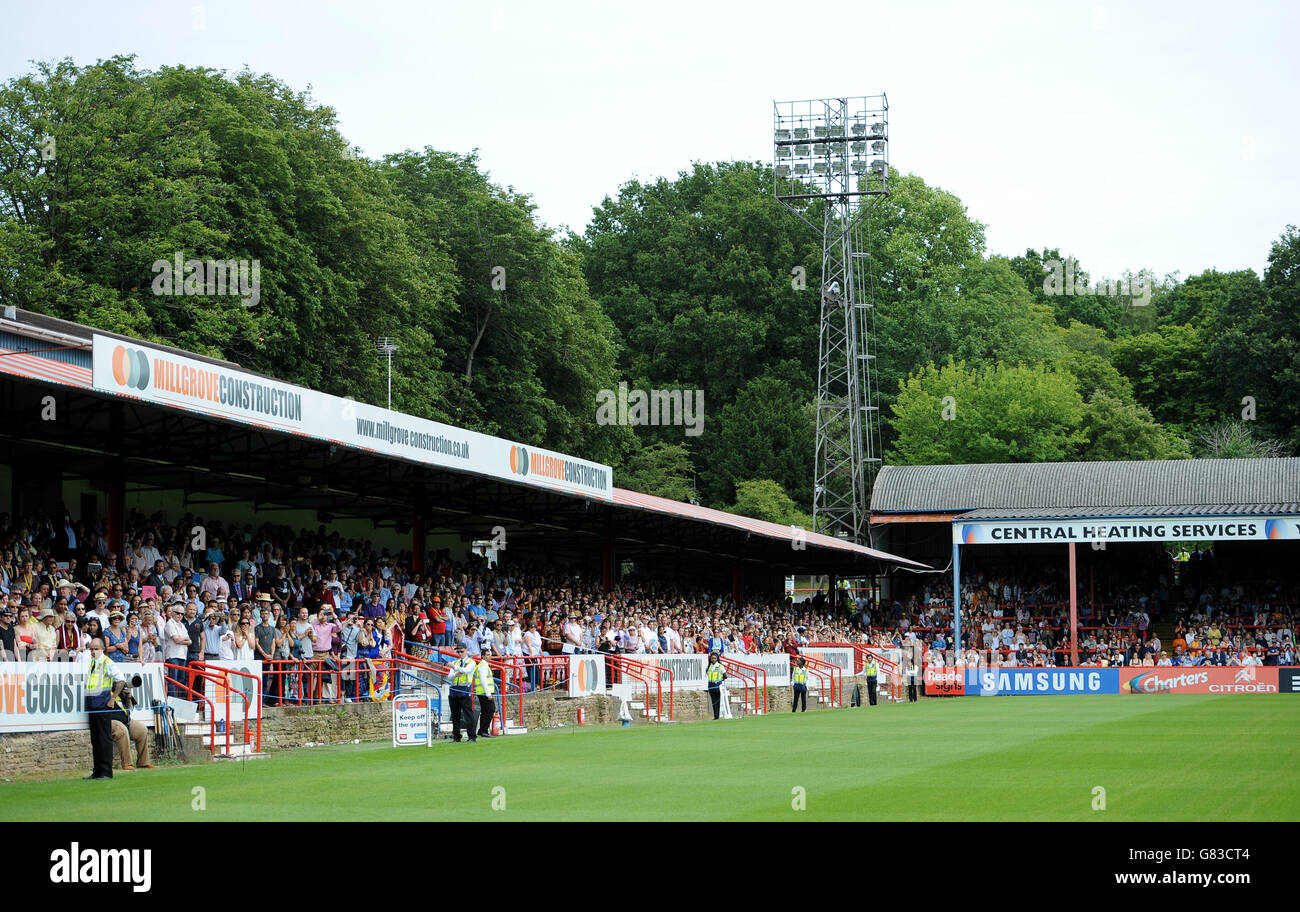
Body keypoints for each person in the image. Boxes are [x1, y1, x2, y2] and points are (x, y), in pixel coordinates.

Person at [83, 637, 125, 779]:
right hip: (92, 705)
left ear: (102, 649)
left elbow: (121, 680)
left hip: (102, 705)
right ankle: (97, 771)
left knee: (104, 739)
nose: (93, 652)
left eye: (95, 649)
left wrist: (112, 699)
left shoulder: (108, 663)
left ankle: (106, 771)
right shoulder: (93, 663)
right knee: (95, 740)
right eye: (91, 649)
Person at [447, 643, 477, 742]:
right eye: (458, 651)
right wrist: (456, 674)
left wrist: (455, 668)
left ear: (466, 650)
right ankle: (456, 737)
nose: (460, 653)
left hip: (465, 690)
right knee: (455, 715)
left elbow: (466, 671)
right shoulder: (455, 662)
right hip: (454, 690)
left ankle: (472, 737)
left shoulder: (471, 662)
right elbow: (449, 677)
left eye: (462, 651)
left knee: (468, 715)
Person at [474, 650, 498, 738]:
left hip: (483, 692)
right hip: (484, 693)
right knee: (490, 710)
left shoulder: (484, 666)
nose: (490, 656)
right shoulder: (483, 666)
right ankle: (484, 730)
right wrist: (488, 693)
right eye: (488, 655)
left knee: (485, 711)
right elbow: (483, 680)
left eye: (490, 655)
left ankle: (482, 730)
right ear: (483, 656)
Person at [706, 651, 728, 719]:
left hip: (718, 685)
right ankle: (716, 716)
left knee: (717, 701)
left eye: (714, 658)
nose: (713, 659)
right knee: (713, 701)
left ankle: (717, 716)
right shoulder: (709, 666)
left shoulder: (720, 666)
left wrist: (720, 681)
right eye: (712, 658)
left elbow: (725, 676)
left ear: (717, 659)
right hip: (711, 686)